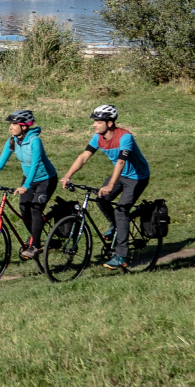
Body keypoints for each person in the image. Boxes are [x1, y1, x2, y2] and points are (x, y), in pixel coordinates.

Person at [61, 104, 151, 269]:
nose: (94, 125)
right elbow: (83, 157)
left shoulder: (125, 137)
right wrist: (68, 176)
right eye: (94, 121)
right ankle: (115, 225)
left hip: (137, 177)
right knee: (101, 199)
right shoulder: (97, 138)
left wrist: (110, 185)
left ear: (109, 123)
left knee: (121, 210)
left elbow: (121, 162)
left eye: (98, 122)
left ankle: (121, 255)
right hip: (120, 175)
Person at [0, 109, 57, 259]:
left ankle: (34, 246)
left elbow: (35, 164)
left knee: (35, 209)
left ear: (24, 126)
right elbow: (1, 161)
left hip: (46, 179)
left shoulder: (35, 141)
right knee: (24, 209)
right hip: (28, 179)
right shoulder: (13, 141)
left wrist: (26, 185)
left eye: (14, 124)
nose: (10, 127)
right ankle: (36, 239)